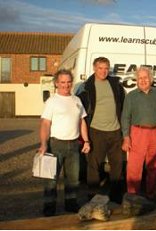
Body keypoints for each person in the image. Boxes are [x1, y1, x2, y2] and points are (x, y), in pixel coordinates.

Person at [38, 69, 90, 217]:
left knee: (73, 179)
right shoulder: (52, 101)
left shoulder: (76, 100)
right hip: (55, 145)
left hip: (74, 145)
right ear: (56, 83)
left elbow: (82, 121)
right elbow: (45, 124)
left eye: (68, 82)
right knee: (51, 180)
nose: (66, 85)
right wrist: (43, 144)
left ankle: (71, 204)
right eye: (62, 82)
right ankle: (49, 208)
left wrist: (86, 140)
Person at [77, 57, 125, 203]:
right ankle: (93, 198)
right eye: (100, 68)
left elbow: (123, 106)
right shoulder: (87, 86)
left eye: (106, 68)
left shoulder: (116, 84)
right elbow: (79, 110)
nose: (103, 71)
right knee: (94, 167)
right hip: (96, 131)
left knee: (117, 166)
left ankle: (116, 197)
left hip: (115, 131)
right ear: (94, 68)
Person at [121, 67, 156, 199]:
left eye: (146, 78)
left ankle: (151, 194)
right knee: (134, 167)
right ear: (136, 80)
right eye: (140, 78)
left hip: (155, 132)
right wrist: (126, 137)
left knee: (154, 166)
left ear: (151, 79)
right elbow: (125, 117)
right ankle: (133, 196)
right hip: (138, 132)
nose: (143, 80)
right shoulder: (131, 96)